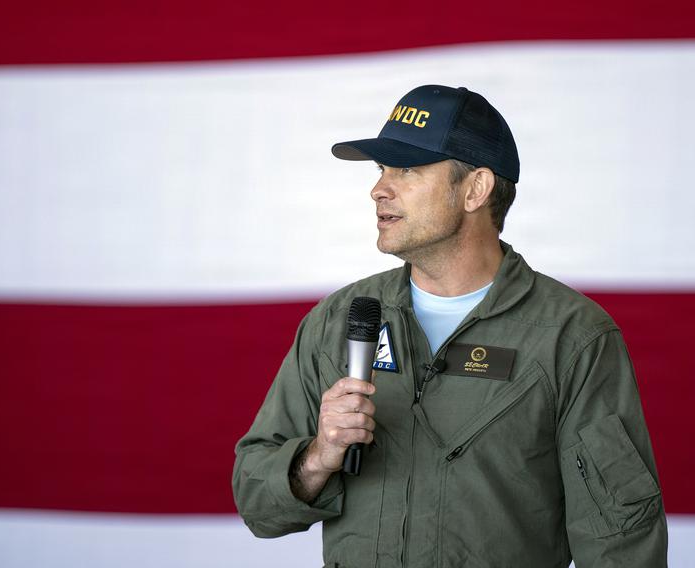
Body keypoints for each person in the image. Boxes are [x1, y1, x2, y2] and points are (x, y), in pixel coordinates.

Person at [233, 85, 667, 567]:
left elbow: (620, 543)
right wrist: (319, 455)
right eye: (381, 170)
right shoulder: (338, 321)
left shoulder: (571, 337)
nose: (378, 188)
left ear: (476, 189)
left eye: (408, 169)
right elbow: (258, 509)